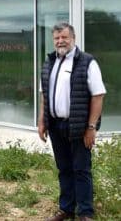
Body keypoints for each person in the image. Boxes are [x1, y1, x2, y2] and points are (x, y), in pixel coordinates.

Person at [38, 22, 106, 221]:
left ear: (73, 38)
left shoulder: (87, 62)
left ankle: (85, 213)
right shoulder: (50, 61)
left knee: (81, 170)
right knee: (64, 168)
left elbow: (98, 95)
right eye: (57, 38)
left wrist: (91, 127)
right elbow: (44, 94)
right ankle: (66, 209)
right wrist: (42, 121)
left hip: (78, 126)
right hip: (56, 125)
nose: (60, 41)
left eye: (64, 37)